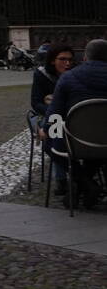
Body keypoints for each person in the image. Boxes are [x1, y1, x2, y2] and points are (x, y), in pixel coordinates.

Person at [44, 39, 107, 208]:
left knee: (49, 143)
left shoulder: (68, 78)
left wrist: (47, 130)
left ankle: (85, 184)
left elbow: (55, 114)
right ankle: (86, 184)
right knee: (99, 148)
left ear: (85, 57)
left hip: (74, 142)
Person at [31, 43, 74, 196]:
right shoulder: (41, 74)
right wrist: (52, 110)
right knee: (56, 131)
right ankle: (62, 180)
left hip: (70, 116)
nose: (67, 63)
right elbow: (36, 102)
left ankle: (78, 173)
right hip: (49, 116)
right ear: (52, 61)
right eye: (62, 59)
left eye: (70, 59)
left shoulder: (74, 74)